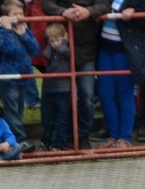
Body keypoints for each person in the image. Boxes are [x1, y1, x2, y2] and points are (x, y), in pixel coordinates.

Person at [41, 0, 110, 149]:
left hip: (86, 50)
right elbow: (46, 3)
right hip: (59, 52)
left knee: (86, 96)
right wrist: (62, 12)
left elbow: (105, 4)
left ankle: (83, 136)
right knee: (62, 96)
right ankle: (60, 137)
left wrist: (89, 11)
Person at [95, 0, 145, 148]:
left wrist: (134, 15)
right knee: (105, 94)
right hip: (105, 49)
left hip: (125, 50)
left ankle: (125, 137)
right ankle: (113, 135)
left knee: (125, 93)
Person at [0, 0, 40, 143]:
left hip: (24, 77)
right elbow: (9, 49)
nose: (19, 16)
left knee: (19, 110)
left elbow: (35, 50)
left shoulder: (25, 31)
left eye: (21, 13)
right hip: (9, 78)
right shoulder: (2, 32)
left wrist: (24, 35)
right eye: (15, 14)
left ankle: (13, 138)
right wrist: (8, 30)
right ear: (6, 17)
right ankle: (20, 140)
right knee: (12, 111)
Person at [39, 21, 71, 150]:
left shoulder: (65, 49)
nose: (55, 44)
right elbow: (45, 55)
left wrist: (62, 43)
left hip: (63, 89)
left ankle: (59, 144)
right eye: (52, 41)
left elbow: (65, 51)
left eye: (57, 40)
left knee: (61, 119)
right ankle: (46, 141)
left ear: (64, 38)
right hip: (49, 88)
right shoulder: (50, 50)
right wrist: (50, 45)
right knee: (47, 117)